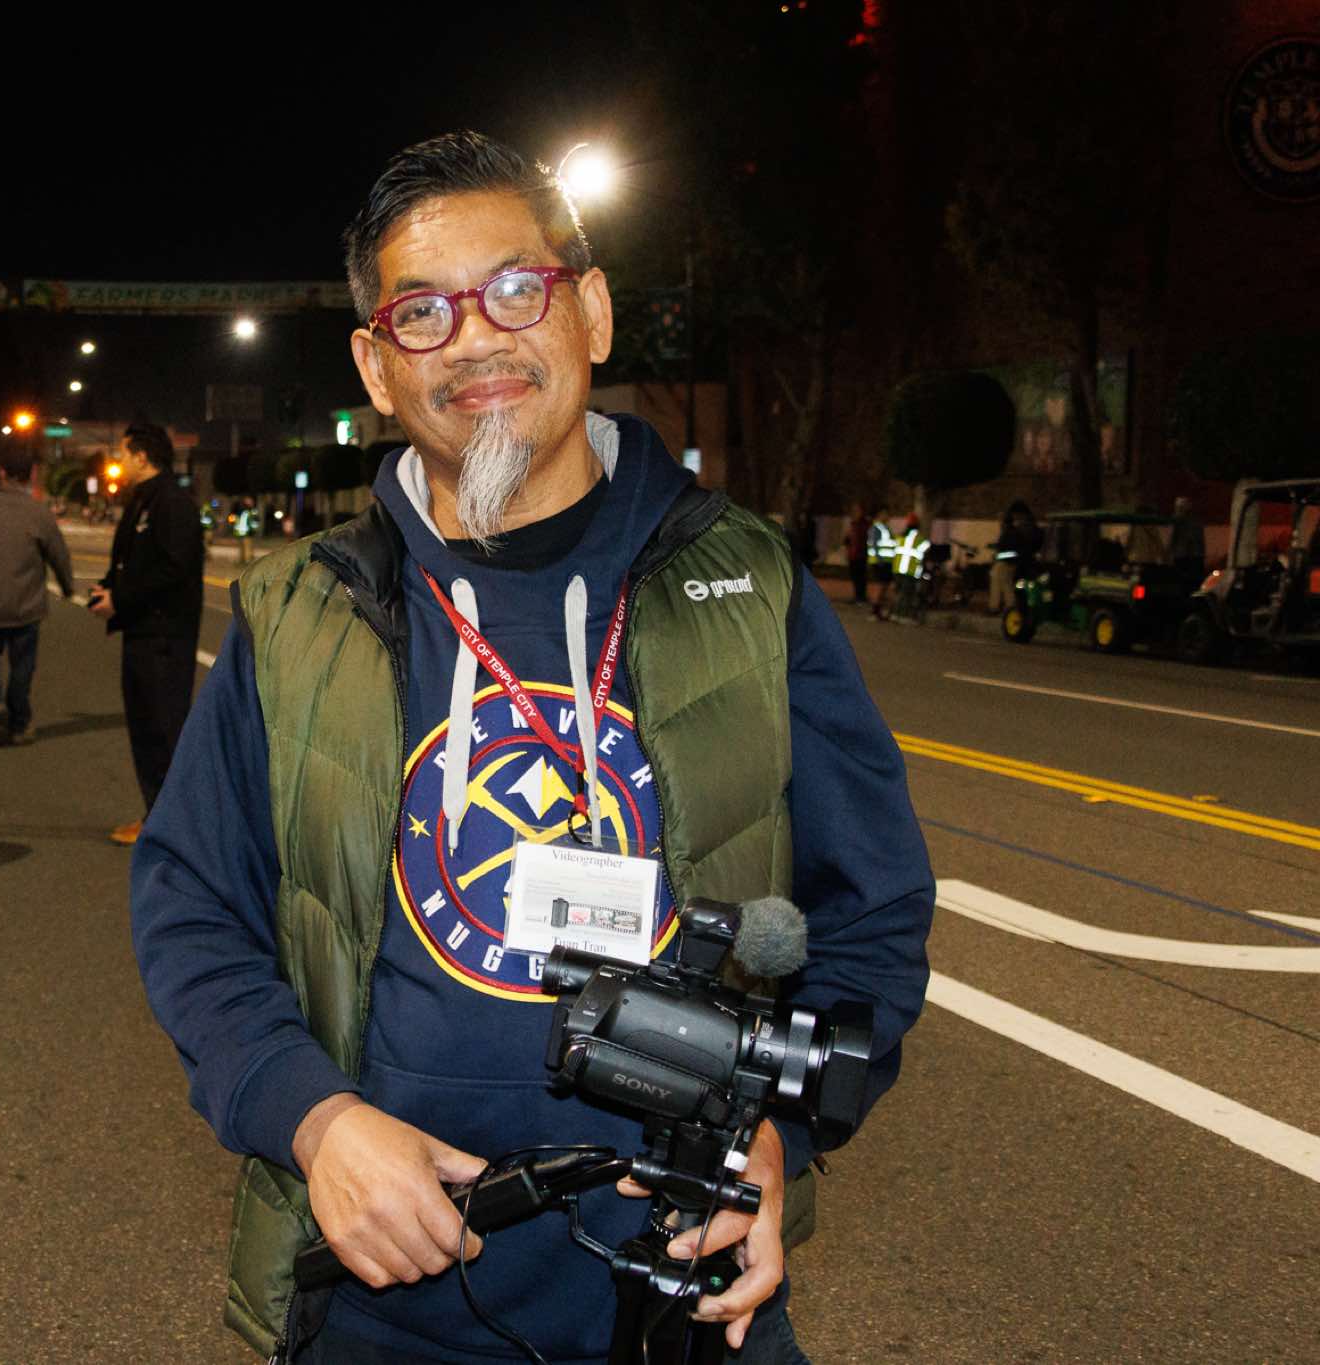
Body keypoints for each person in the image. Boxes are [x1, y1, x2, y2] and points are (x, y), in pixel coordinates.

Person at [129, 132, 932, 1365]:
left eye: (516, 289)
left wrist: (780, 1134)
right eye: (420, 312)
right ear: (375, 366)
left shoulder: (745, 582)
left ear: (591, 312)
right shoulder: (301, 611)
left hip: (689, 1293)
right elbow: (189, 900)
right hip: (377, 1303)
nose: (472, 340)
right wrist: (312, 1120)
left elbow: (869, 912)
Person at [88, 423, 203, 846]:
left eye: (122, 453)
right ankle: (157, 818)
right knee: (145, 728)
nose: (118, 461)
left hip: (165, 637)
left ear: (141, 456)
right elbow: (131, 562)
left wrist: (120, 598)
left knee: (164, 730)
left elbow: (174, 568)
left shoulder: (172, 502)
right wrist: (108, 589)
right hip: (142, 632)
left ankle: (179, 829)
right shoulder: (143, 500)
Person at [0, 448, 75, 747]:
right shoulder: (39, 512)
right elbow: (59, 554)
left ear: (2, 472)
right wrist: (67, 587)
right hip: (26, 605)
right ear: (31, 474)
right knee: (23, 665)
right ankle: (20, 722)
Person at [989, 500, 1040, 613]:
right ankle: (999, 606)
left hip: (1014, 563)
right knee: (999, 577)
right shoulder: (1020, 530)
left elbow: (1016, 552)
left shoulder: (1015, 532)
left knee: (1003, 579)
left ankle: (1006, 607)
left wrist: (999, 556)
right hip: (1016, 561)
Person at [1170, 495, 1206, 587]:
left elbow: (1198, 540)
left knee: (1189, 584)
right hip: (1184, 556)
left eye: (1181, 506)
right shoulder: (1177, 521)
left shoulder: (1193, 522)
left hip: (1190, 557)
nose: (1180, 509)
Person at [843, 501, 872, 605]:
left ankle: (861, 597)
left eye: (857, 510)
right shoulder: (853, 524)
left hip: (861, 554)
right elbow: (847, 540)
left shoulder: (865, 524)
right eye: (854, 510)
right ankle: (857, 596)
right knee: (855, 576)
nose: (855, 513)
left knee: (861, 577)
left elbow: (866, 540)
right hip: (853, 555)